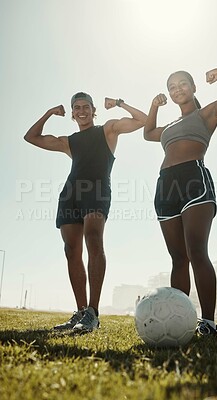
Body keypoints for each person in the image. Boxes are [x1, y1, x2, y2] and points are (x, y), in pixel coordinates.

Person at [144, 67, 217, 336]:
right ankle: (178, 320)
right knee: (177, 258)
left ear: (193, 88)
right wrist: (153, 106)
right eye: (172, 86)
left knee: (196, 250)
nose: (177, 89)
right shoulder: (169, 127)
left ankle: (208, 322)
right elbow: (148, 132)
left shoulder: (207, 113)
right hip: (166, 186)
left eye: (182, 83)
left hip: (194, 180)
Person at [24, 92, 147, 332]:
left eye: (86, 107)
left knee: (94, 240)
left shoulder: (108, 130)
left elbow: (142, 120)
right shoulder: (69, 142)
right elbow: (31, 137)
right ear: (72, 113)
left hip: (97, 191)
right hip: (70, 195)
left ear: (93, 110)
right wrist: (49, 112)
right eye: (76, 107)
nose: (82, 111)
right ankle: (80, 312)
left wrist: (119, 103)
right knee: (71, 250)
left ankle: (92, 312)